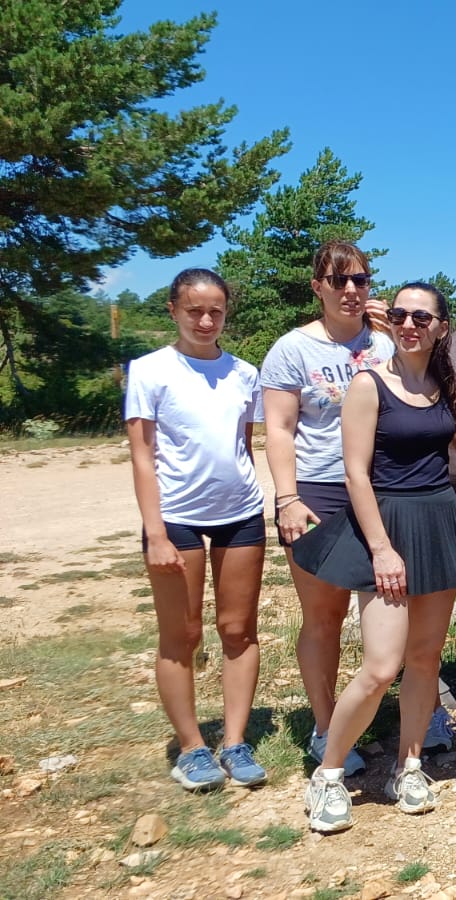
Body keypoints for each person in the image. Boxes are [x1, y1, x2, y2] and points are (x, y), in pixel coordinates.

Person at [291, 283, 456, 833]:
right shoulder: (368, 383)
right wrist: (381, 550)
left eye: (421, 317)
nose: (408, 324)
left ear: (442, 327)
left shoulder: (445, 385)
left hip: (438, 522)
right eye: (399, 314)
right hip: (386, 525)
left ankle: (409, 765)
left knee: (425, 660)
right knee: (381, 667)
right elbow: (355, 473)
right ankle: (328, 773)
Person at [126, 268, 269, 791]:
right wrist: (155, 533)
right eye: (194, 311)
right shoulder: (149, 370)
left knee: (238, 630)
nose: (206, 321)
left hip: (241, 513)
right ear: (173, 311)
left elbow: (242, 445)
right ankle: (191, 748)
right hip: (176, 517)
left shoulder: (244, 373)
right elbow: (142, 456)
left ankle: (234, 741)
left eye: (216, 312)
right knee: (182, 635)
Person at [261, 240, 392, 775]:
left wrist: (395, 329)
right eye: (339, 281)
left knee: (395, 605)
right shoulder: (292, 349)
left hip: (384, 489)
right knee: (325, 616)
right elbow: (278, 428)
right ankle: (323, 727)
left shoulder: (386, 343)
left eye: (360, 280)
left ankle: (421, 710)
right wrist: (287, 498)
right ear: (318, 287)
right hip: (319, 490)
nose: (351, 290)